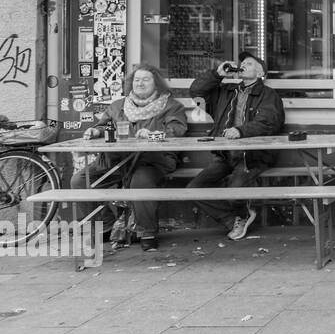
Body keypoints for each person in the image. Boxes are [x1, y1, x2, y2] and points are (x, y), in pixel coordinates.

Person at [79, 64, 188, 253]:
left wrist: (154, 133)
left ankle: (147, 233)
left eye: (146, 79)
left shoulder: (171, 105)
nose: (140, 83)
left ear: (157, 84)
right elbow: (105, 126)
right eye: (137, 80)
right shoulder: (118, 106)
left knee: (141, 181)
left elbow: (177, 130)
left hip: (152, 159)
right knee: (80, 180)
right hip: (117, 161)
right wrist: (95, 130)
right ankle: (105, 225)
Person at [187, 51, 285, 241]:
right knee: (194, 188)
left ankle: (242, 214)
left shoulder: (268, 95)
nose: (242, 65)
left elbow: (269, 122)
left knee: (235, 189)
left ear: (260, 73)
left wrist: (241, 131)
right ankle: (233, 219)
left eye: (248, 64)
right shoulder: (226, 92)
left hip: (253, 156)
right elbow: (196, 93)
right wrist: (217, 75)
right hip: (225, 155)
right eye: (243, 63)